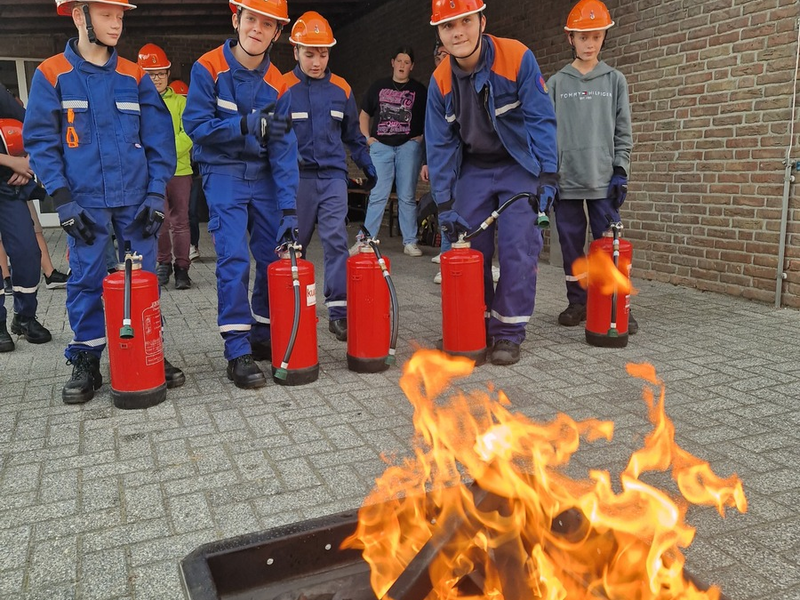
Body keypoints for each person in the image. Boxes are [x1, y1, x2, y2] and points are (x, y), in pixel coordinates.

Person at [23, 0, 186, 403]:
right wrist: (62, 201)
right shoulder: (51, 74)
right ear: (80, 16)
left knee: (143, 279)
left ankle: (149, 350)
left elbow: (159, 140)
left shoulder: (134, 75)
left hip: (135, 201)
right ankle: (87, 358)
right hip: (85, 202)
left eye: (120, 16)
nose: (117, 24)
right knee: (85, 279)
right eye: (107, 15)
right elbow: (42, 143)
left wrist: (155, 196)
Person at [425, 0, 558, 366]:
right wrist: (445, 203)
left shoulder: (516, 57)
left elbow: (541, 119)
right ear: (439, 33)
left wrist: (548, 174)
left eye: (466, 21)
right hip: (475, 168)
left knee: (518, 245)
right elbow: (440, 146)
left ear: (482, 21)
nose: (459, 32)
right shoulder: (440, 82)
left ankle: (508, 332)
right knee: (467, 248)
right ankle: (474, 324)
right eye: (448, 26)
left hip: (518, 164)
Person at [183, 0, 299, 389]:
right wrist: (245, 125)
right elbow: (196, 125)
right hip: (224, 171)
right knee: (233, 258)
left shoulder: (280, 83)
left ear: (277, 33)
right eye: (251, 20)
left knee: (271, 257)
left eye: (268, 24)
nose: (257, 29)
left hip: (265, 177)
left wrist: (288, 208)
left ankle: (262, 335)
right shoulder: (208, 68)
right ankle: (236, 348)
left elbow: (284, 150)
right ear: (237, 20)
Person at [283, 11, 376, 343]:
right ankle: (296, 309)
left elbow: (352, 135)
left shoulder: (342, 89)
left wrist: (366, 163)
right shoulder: (282, 88)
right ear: (295, 51)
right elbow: (272, 140)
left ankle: (338, 312)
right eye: (309, 53)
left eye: (323, 53)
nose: (317, 61)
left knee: (336, 240)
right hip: (297, 180)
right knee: (294, 244)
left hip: (334, 177)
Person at [547, 0, 637, 334]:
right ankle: (578, 301)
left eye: (596, 36)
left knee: (607, 246)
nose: (589, 43)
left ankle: (613, 303)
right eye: (582, 36)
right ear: (570, 38)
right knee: (572, 247)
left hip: (604, 181)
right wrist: (549, 174)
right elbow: (546, 132)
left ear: (603, 38)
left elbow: (623, 130)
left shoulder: (615, 80)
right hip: (567, 180)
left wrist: (621, 170)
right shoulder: (556, 83)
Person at [354, 46, 427, 257]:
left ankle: (410, 242)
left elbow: (430, 116)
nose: (403, 65)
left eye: (407, 62)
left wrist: (421, 137)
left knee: (406, 195)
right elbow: (364, 115)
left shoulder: (419, 90)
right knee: (378, 193)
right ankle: (365, 240)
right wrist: (368, 139)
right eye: (400, 61)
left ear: (412, 66)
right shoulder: (378, 87)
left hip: (408, 147)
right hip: (381, 147)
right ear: (392, 62)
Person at [138, 43, 194, 290]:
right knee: (158, 220)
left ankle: (182, 268)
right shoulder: (138, 102)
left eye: (161, 73)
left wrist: (166, 154)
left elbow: (189, 132)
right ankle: (163, 264)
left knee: (181, 221)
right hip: (151, 173)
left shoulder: (181, 102)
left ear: (168, 73)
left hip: (180, 171)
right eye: (151, 74)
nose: (157, 78)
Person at [0, 105, 52, 353]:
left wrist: (27, 162)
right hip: (6, 168)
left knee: (27, 252)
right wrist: (8, 159)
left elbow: (35, 123)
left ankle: (24, 316)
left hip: (7, 186)